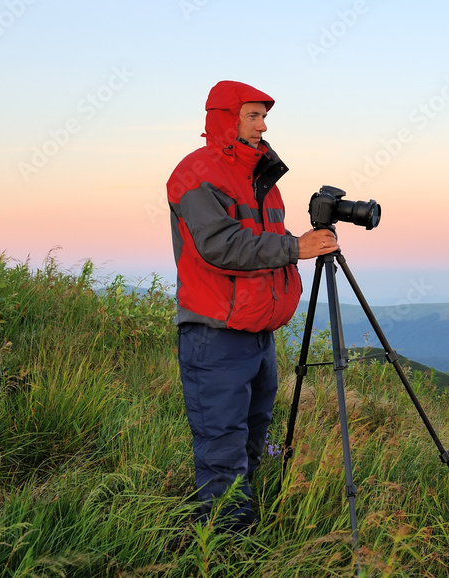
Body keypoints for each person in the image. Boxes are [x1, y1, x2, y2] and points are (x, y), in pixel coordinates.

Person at [166, 80, 337, 531]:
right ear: (225, 118)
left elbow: (265, 237)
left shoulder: (259, 176)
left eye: (264, 117)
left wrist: (300, 247)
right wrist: (295, 249)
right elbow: (221, 245)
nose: (262, 127)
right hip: (215, 332)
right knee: (222, 447)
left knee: (253, 437)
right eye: (252, 116)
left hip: (258, 331)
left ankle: (235, 529)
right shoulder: (195, 173)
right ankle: (226, 549)